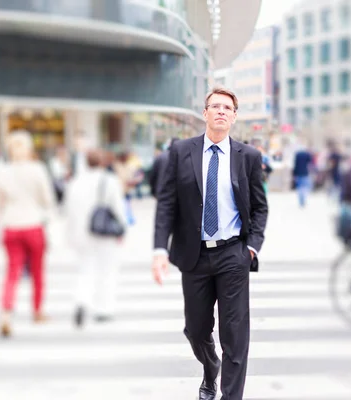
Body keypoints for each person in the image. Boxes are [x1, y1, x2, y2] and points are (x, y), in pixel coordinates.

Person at [152, 86, 268, 400]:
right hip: (194, 255)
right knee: (196, 330)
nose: (220, 111)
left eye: (226, 108)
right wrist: (160, 248)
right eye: (214, 106)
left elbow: (259, 206)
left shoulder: (249, 157)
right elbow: (166, 203)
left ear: (233, 117)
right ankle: (209, 367)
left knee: (235, 334)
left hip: (233, 253)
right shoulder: (181, 152)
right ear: (204, 114)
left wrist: (252, 246)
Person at [0, 130, 55, 338]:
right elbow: (47, 199)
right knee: (37, 271)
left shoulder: (2, 171)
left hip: (11, 225)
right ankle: (37, 311)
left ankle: (6, 314)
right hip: (33, 223)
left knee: (12, 272)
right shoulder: (37, 170)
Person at [64, 149, 126, 327]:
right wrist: (122, 230)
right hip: (105, 232)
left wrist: (70, 235)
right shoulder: (110, 180)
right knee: (107, 270)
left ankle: (82, 301)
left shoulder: (75, 182)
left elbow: (69, 211)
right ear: (102, 162)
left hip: (83, 233)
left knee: (85, 270)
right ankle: (104, 309)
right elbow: (118, 208)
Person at [292, 142, 314, 208]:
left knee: (299, 187)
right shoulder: (307, 154)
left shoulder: (297, 154)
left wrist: (294, 173)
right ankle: (303, 200)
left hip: (298, 173)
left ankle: (300, 201)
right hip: (305, 172)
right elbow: (310, 162)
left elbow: (295, 164)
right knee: (304, 187)